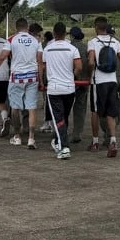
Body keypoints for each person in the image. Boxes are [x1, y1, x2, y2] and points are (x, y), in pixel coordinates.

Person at [0, 17, 42, 149]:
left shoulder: (11, 40)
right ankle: (31, 138)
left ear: (15, 27)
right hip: (32, 77)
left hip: (17, 77)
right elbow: (40, 61)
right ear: (27, 27)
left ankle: (17, 137)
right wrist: (40, 79)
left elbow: (2, 57)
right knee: (31, 108)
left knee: (15, 107)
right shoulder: (36, 41)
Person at [87, 16, 120, 157]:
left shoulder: (92, 42)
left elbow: (92, 62)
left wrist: (90, 69)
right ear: (106, 27)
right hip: (112, 81)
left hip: (98, 81)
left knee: (95, 112)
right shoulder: (115, 42)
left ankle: (95, 142)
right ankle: (112, 140)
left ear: (95, 27)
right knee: (111, 113)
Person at [41, 22, 81, 160]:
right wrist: (72, 75)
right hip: (69, 87)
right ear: (65, 33)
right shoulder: (72, 49)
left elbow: (44, 67)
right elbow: (79, 67)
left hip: (54, 88)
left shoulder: (47, 49)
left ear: (53, 33)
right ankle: (59, 141)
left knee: (58, 118)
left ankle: (64, 147)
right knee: (64, 117)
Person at [68, 26, 90, 143]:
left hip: (68, 81)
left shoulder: (68, 47)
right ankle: (77, 132)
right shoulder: (86, 47)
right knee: (80, 108)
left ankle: (60, 131)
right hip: (84, 81)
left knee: (64, 108)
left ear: (71, 36)